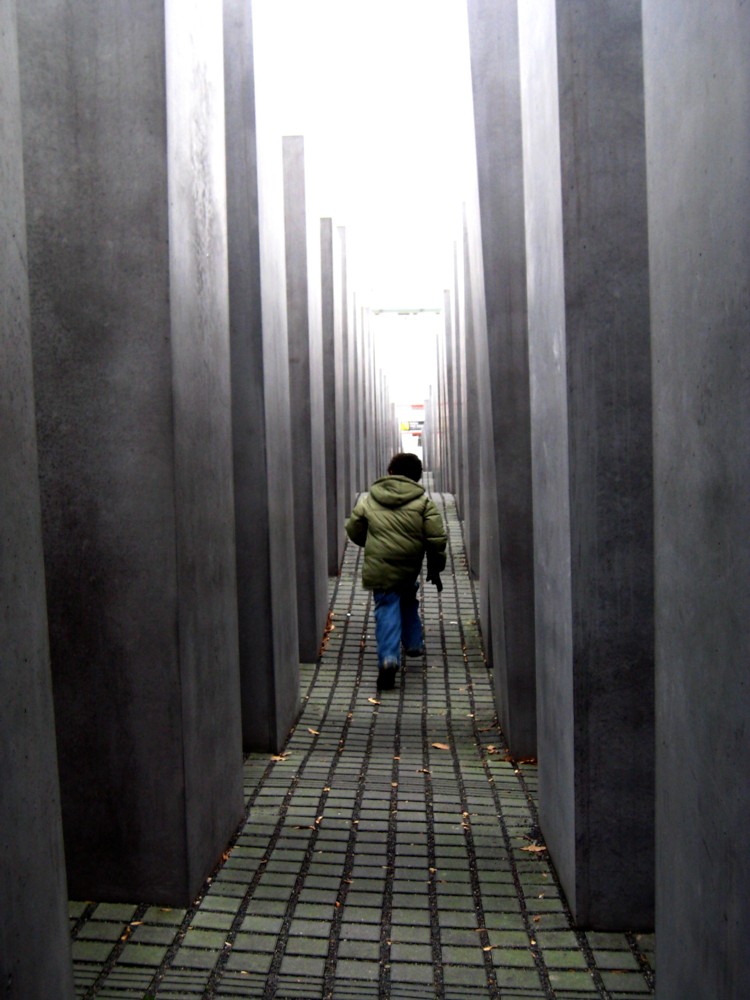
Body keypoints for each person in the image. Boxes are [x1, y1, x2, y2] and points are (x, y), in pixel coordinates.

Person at [345, 452, 447, 691]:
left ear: (390, 472)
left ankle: (389, 657)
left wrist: (370, 541)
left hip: (379, 564)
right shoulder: (423, 503)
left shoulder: (370, 499)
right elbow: (436, 538)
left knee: (386, 604)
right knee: (408, 597)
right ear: (418, 478)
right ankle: (413, 643)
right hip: (409, 563)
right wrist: (435, 567)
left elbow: (354, 528)